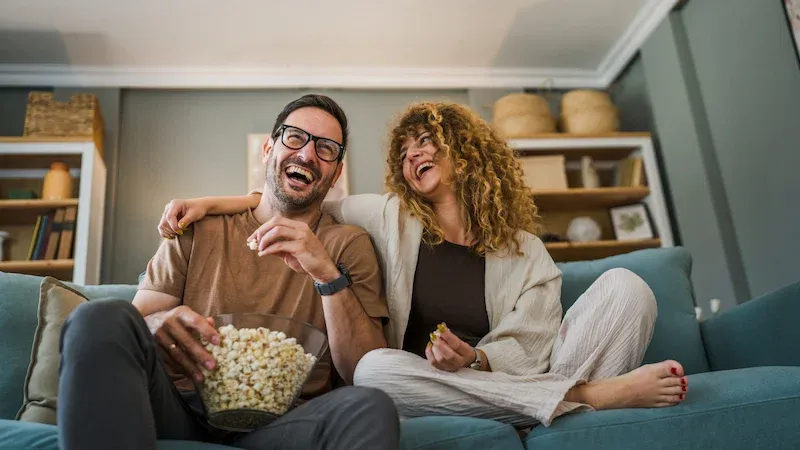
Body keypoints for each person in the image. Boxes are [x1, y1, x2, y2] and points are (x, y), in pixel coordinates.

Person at [157, 101, 689, 429]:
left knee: (627, 285)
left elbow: (536, 341)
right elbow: (301, 196)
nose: (413, 154)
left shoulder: (526, 249)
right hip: (422, 386)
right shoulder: (388, 217)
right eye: (405, 150)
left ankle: (550, 406)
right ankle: (584, 401)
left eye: (426, 142)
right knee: (374, 370)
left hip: (513, 377)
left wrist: (476, 360)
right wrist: (212, 204)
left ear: (468, 153)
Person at [58, 94, 400, 450]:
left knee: (369, 407)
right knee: (96, 317)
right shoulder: (196, 227)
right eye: (295, 137)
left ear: (336, 172)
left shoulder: (348, 244)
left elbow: (364, 369)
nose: (307, 154)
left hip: (287, 423)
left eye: (326, 148)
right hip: (181, 410)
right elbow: (134, 325)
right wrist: (158, 323)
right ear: (268, 149)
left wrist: (327, 275)